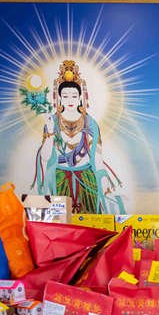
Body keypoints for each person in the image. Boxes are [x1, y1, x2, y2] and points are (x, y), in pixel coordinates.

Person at [35, 60, 116, 213]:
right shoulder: (52, 122)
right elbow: (45, 157)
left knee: (89, 222)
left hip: (86, 178)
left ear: (80, 97)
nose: (70, 100)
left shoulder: (89, 123)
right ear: (59, 98)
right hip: (60, 178)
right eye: (65, 96)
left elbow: (97, 158)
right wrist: (50, 132)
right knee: (61, 222)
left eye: (74, 95)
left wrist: (105, 183)